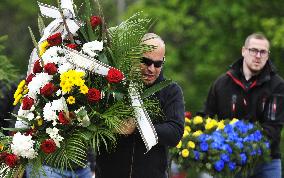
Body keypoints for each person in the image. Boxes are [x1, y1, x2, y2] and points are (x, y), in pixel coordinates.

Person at [95, 33, 185, 178]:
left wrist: (137, 126)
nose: (151, 68)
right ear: (135, 57)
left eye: (157, 64)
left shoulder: (171, 90)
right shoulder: (114, 83)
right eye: (146, 61)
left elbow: (175, 132)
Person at [203, 33, 284, 178]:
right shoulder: (222, 84)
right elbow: (207, 118)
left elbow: (274, 127)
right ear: (243, 51)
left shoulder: (277, 85)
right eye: (253, 50)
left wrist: (243, 144)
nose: (258, 56)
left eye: (263, 52)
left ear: (268, 55)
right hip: (229, 162)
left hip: (267, 162)